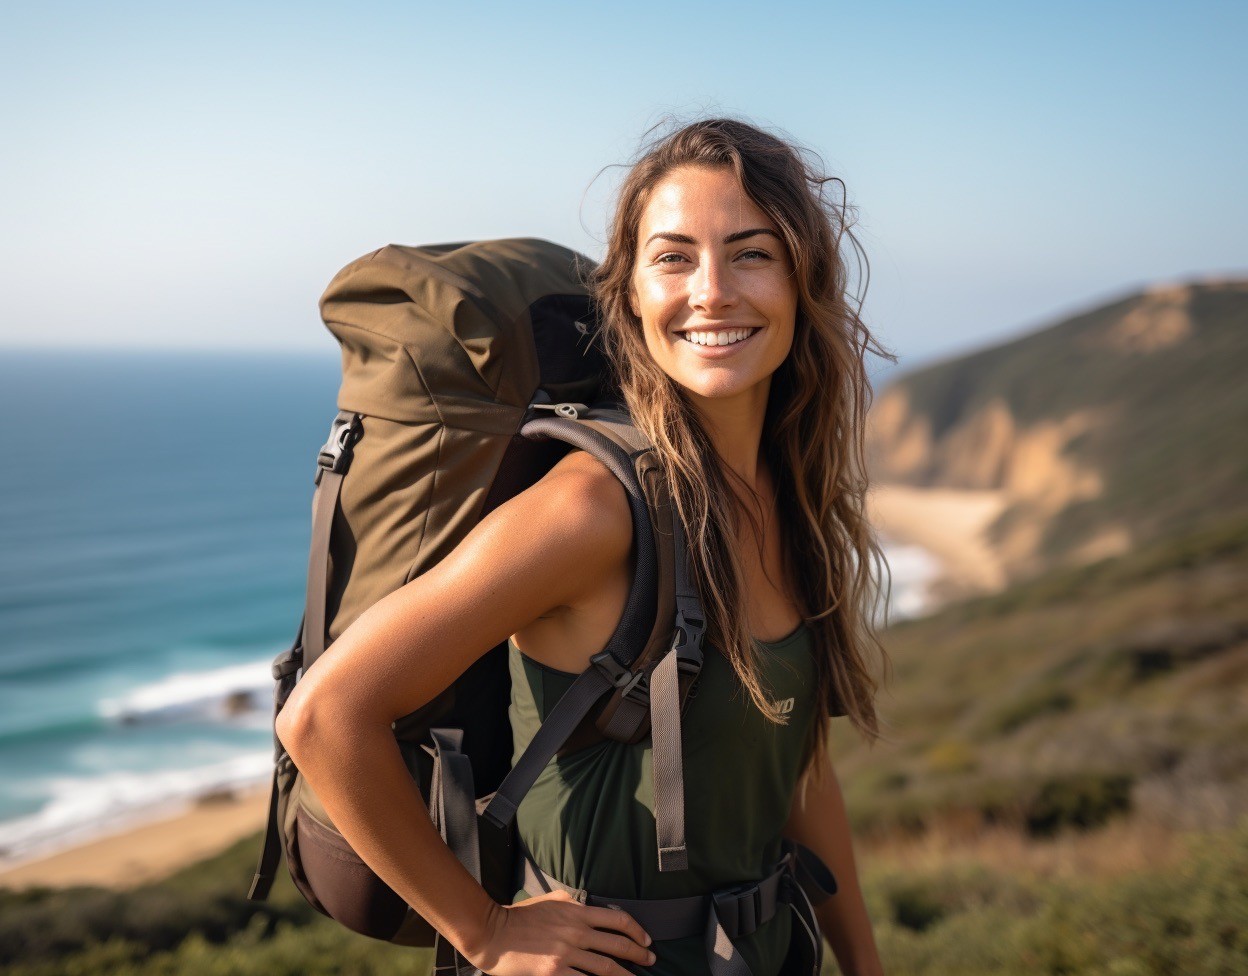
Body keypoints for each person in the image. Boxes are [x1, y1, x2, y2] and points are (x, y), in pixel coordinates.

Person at [277, 117, 893, 976]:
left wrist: (862, 959)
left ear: (802, 279)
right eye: (674, 258)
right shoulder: (596, 510)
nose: (711, 291)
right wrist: (486, 931)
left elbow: (792, 765)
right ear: (632, 295)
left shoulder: (787, 496)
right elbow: (324, 716)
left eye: (752, 253)